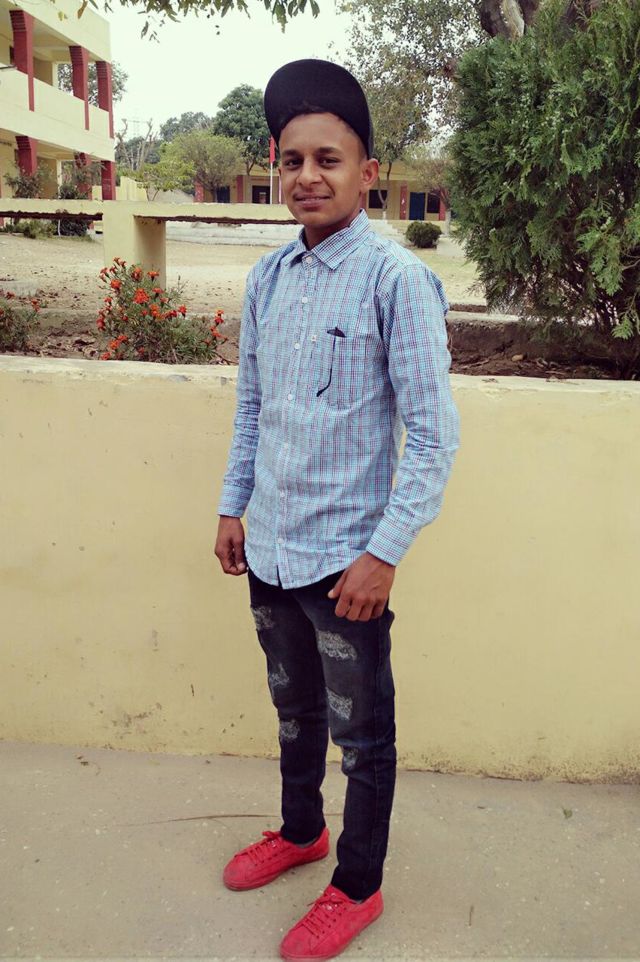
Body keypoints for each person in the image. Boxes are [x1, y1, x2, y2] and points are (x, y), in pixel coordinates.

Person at [215, 58, 459, 961]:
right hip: (272, 549)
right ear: (276, 167)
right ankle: (300, 831)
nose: (307, 177)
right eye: (292, 160)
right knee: (293, 710)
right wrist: (233, 506)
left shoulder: (396, 281)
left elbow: (433, 438)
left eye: (329, 159)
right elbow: (252, 406)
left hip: (347, 566)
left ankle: (357, 885)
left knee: (362, 734)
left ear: (368, 171)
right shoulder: (270, 278)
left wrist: (383, 553)